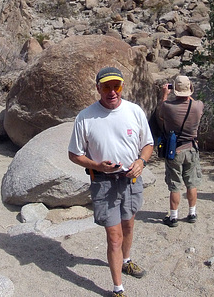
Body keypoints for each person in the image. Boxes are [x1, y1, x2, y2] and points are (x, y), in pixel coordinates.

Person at [68, 66, 154, 297]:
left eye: (116, 86)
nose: (112, 91)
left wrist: (141, 162)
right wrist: (96, 166)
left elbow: (148, 144)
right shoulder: (85, 117)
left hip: (131, 179)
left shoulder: (134, 111)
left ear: (122, 87)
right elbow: (74, 154)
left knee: (128, 226)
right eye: (106, 86)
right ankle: (118, 288)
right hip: (104, 183)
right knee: (114, 236)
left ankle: (126, 261)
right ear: (98, 88)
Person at [156, 75, 204, 227]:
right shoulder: (198, 106)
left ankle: (173, 217)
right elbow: (192, 101)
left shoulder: (168, 107)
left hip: (174, 150)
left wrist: (164, 94)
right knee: (191, 183)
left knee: (175, 185)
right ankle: (192, 213)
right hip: (191, 148)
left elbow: (160, 114)